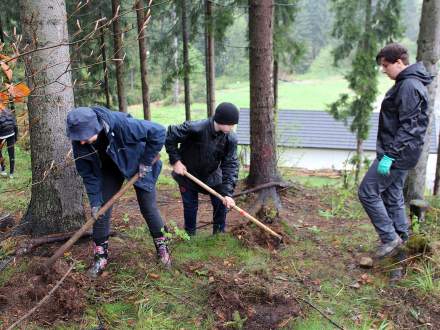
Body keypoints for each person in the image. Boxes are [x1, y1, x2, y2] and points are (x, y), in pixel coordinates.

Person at [66, 106, 171, 277]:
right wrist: (94, 202)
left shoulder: (122, 125)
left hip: (138, 163)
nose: (82, 142)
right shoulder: (79, 143)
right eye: (78, 138)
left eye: (84, 137)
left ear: (96, 127)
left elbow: (158, 131)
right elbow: (89, 175)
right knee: (101, 210)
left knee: (148, 207)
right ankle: (100, 257)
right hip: (110, 167)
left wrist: (146, 161)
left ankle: (163, 248)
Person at [358, 43, 432, 259]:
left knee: (367, 192)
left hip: (397, 154)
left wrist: (390, 155)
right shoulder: (409, 82)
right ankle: (403, 240)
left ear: (399, 62)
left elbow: (409, 126)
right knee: (393, 196)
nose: (384, 70)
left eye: (386, 65)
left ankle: (390, 239)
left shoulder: (409, 85)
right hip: (403, 153)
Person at [165, 102, 240, 236]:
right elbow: (170, 136)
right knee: (190, 206)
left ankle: (218, 235)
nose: (233, 127)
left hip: (212, 175)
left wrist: (228, 192)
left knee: (220, 204)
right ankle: (189, 235)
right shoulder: (195, 128)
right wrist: (176, 161)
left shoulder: (230, 138)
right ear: (221, 120)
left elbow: (231, 164)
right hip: (187, 174)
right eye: (231, 124)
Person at [0, 108, 18, 179]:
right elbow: (15, 125)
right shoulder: (8, 110)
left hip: (2, 134)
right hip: (11, 133)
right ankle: (11, 174)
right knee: (11, 154)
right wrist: (16, 137)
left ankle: (3, 169)